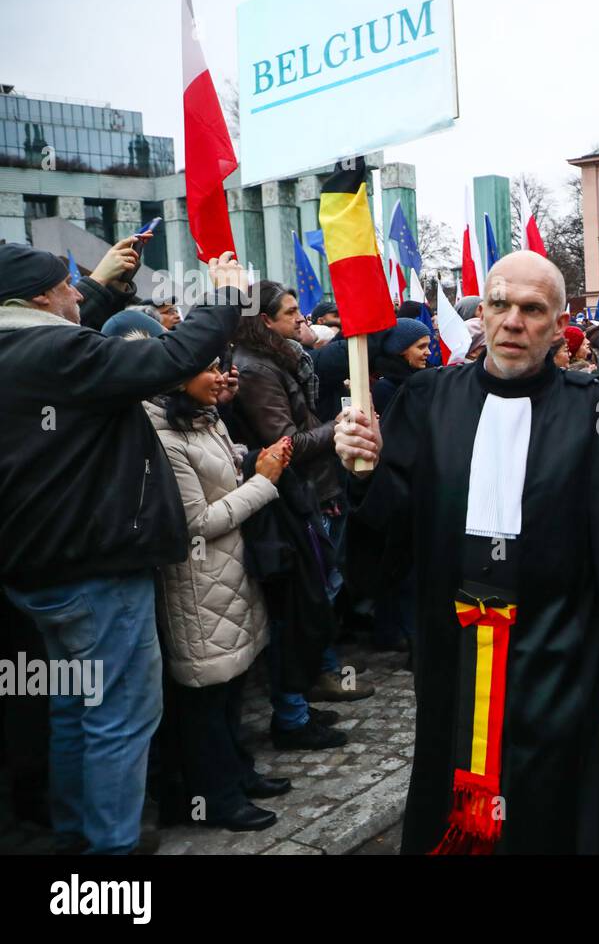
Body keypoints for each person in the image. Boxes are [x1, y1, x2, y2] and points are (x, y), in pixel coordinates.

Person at [333, 250, 599, 854]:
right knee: (451, 772)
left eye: (533, 310)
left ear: (560, 325)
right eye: (500, 304)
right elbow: (394, 525)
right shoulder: (429, 398)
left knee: (549, 793)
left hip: (555, 641)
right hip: (450, 638)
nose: (513, 322)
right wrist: (364, 473)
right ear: (481, 313)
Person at [0, 244, 246, 854]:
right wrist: (223, 295)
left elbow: (73, 347)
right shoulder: (53, 350)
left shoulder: (23, 348)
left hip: (36, 571)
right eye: (68, 287)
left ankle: (74, 833)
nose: (80, 294)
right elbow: (171, 357)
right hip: (97, 573)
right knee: (119, 718)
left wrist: (103, 283)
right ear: (38, 300)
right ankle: (111, 857)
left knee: (72, 708)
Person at [147, 357, 292, 832]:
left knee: (231, 687)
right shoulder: (165, 438)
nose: (222, 377)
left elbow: (225, 475)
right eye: (208, 369)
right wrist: (263, 481)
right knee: (206, 700)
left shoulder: (203, 419)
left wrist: (254, 461)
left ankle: (237, 774)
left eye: (221, 366)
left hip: (229, 575)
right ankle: (215, 798)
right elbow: (198, 522)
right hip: (197, 582)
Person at [229, 281, 370, 743]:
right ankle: (291, 711)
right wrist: (340, 427)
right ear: (265, 321)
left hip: (315, 489)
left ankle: (305, 695)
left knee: (320, 597)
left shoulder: (279, 358)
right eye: (291, 313)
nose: (301, 319)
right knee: (302, 606)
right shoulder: (253, 369)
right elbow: (284, 443)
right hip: (294, 497)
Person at [372, 318, 431, 417]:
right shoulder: (385, 387)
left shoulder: (430, 377)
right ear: (400, 349)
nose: (429, 352)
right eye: (421, 347)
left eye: (428, 346)